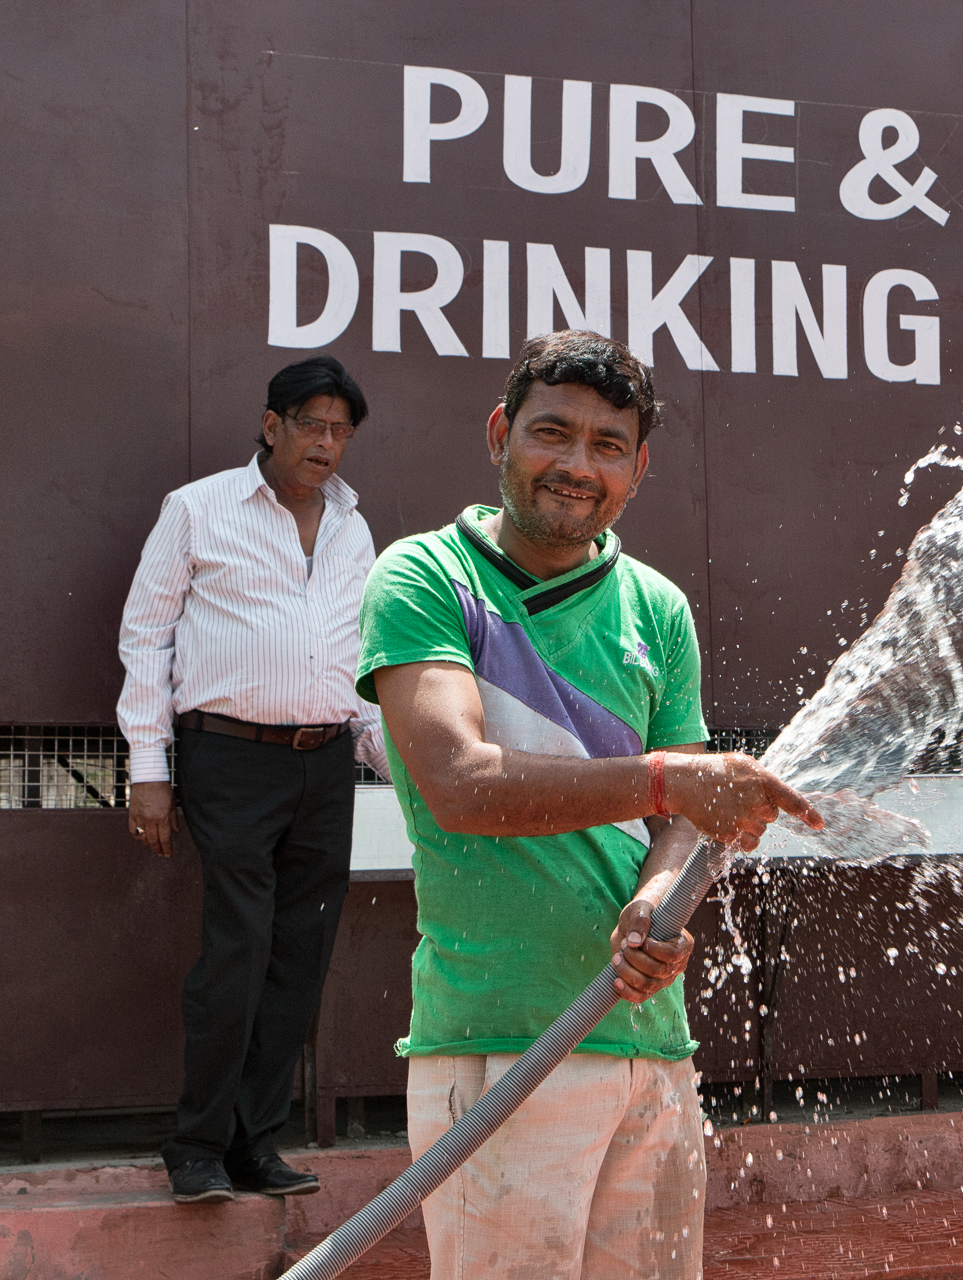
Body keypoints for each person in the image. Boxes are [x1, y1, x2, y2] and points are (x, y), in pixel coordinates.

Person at [358, 329, 821, 1279]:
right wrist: (665, 779)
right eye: (552, 433)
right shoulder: (425, 577)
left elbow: (682, 823)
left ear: (637, 470)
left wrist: (657, 900)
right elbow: (459, 784)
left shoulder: (657, 608)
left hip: (650, 1040)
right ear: (500, 433)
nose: (577, 466)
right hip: (499, 1037)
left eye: (608, 445)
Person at [117, 354, 387, 1204]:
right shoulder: (197, 510)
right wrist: (149, 770)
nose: (327, 444)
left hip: (327, 763)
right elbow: (146, 637)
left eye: (341, 431)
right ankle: (196, 1147)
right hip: (229, 758)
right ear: (272, 426)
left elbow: (361, 657)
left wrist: (397, 769)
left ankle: (253, 1145)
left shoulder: (352, 528)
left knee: (301, 958)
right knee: (238, 951)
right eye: (312, 425)